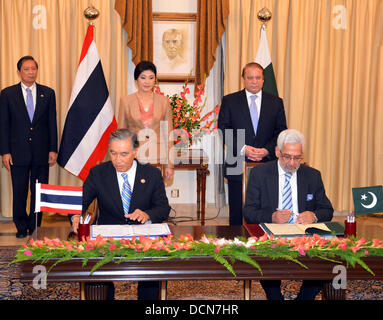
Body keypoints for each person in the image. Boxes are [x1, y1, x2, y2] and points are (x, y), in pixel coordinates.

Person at [72, 129, 171, 300]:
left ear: (136, 151)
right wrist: (74, 217)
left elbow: (163, 208)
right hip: (107, 236)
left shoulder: (152, 174)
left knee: (152, 275)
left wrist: (147, 214)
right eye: (113, 153)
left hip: (142, 236)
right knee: (94, 273)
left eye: (124, 154)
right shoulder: (98, 173)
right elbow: (78, 205)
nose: (118, 160)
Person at [244, 129, 334, 300]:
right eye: (287, 156)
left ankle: (304, 298)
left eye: (297, 157)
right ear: (277, 152)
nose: (292, 163)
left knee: (326, 261)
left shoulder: (313, 176)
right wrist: (271, 217)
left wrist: (313, 216)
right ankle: (275, 296)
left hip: (305, 235)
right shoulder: (260, 174)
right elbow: (249, 212)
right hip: (272, 234)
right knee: (266, 259)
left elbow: (327, 210)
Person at [218, 62, 287, 225]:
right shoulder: (230, 100)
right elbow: (223, 129)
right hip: (237, 161)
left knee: (266, 208)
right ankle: (235, 244)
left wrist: (266, 150)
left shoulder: (276, 102)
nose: (254, 81)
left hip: (267, 162)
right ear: (243, 79)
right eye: (250, 77)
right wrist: (244, 148)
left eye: (258, 77)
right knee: (237, 211)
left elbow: (281, 131)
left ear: (263, 80)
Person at [0, 56, 58, 238]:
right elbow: (4, 125)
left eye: (33, 68)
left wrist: (53, 149)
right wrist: (5, 152)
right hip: (17, 152)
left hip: (41, 152)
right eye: (26, 69)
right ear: (19, 72)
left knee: (38, 191)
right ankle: (21, 226)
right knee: (19, 191)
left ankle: (35, 226)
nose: (31, 72)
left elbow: (52, 123)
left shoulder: (48, 93)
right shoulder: (7, 94)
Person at [118, 61, 174, 182]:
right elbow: (121, 135)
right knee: (136, 194)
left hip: (158, 157)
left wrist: (169, 165)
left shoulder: (164, 101)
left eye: (151, 77)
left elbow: (168, 135)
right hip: (134, 157)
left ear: (155, 80)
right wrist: (122, 158)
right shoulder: (126, 101)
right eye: (143, 77)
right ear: (136, 80)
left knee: (155, 194)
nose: (147, 81)